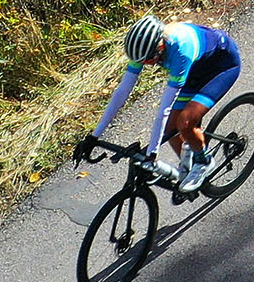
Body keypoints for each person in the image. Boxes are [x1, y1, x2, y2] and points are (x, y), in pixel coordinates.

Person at [77, 15, 242, 190]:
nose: (146, 65)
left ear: (160, 47)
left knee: (185, 122)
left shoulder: (181, 50)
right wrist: (93, 136)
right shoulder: (145, 48)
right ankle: (190, 169)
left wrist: (152, 154)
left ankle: (204, 161)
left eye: (148, 61)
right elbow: (122, 92)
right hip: (194, 70)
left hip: (221, 67)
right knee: (172, 129)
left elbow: (165, 108)